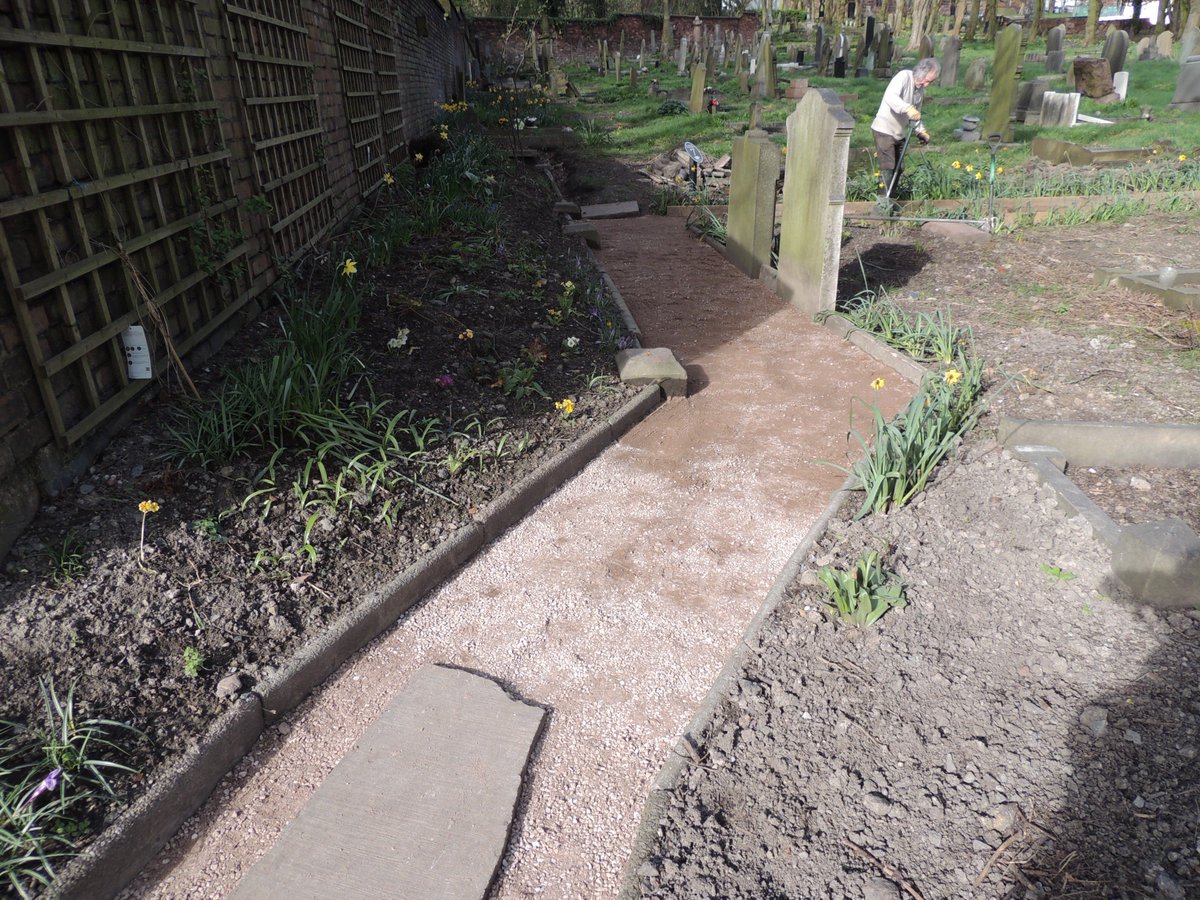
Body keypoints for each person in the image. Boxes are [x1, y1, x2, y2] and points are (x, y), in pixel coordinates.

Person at [871, 57, 940, 200]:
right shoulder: (903, 77)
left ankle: (890, 200)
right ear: (921, 72)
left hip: (898, 132)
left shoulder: (919, 90)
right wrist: (907, 108)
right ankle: (882, 204)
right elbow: (891, 97)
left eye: (930, 82)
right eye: (927, 80)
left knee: (899, 167)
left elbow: (915, 114)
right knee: (888, 166)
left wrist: (920, 131)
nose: (926, 85)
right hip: (884, 128)